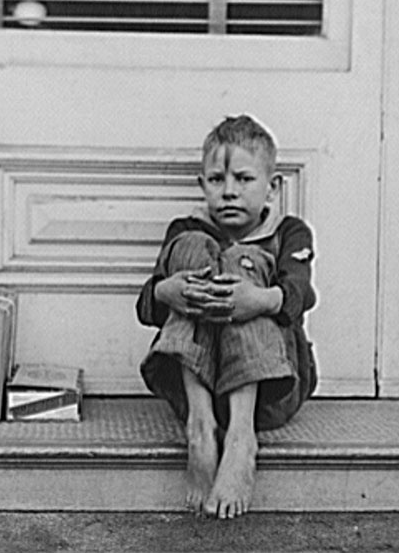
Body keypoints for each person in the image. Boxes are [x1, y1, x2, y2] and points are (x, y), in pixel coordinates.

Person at [137, 114, 318, 520]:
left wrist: (258, 299)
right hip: (193, 395)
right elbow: (146, 304)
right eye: (217, 180)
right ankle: (200, 432)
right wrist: (170, 291)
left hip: (271, 392)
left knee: (244, 262)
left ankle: (240, 440)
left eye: (244, 179)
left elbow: (300, 293)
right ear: (202, 185)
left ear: (272, 188)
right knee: (190, 248)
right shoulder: (187, 229)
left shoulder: (290, 233)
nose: (230, 192)